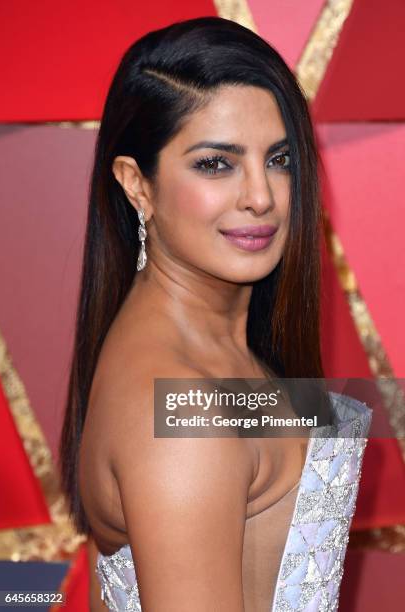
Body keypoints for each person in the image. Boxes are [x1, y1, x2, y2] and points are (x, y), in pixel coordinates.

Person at [59, 16, 372, 611]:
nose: (262, 195)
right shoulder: (182, 409)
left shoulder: (210, 351)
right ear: (137, 185)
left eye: (279, 159)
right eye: (215, 164)